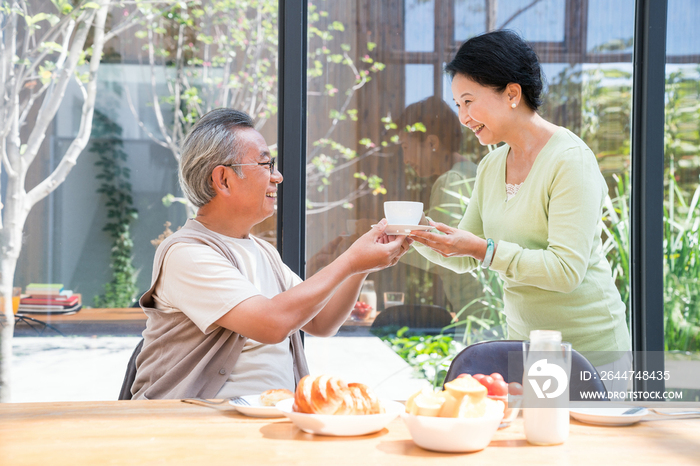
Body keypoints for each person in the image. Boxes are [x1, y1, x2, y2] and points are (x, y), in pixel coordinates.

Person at [131, 109, 411, 400]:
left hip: (266, 420)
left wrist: (361, 268)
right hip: (198, 423)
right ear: (223, 179)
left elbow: (322, 321)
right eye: (266, 164)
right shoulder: (186, 254)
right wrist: (351, 260)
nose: (278, 176)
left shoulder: (263, 251)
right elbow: (272, 323)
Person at [408, 30, 631, 385]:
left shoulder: (570, 161)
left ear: (512, 94)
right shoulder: (491, 166)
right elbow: (467, 255)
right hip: (532, 353)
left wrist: (484, 250)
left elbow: (565, 271)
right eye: (457, 105)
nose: (463, 117)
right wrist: (416, 234)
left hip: (594, 358)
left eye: (469, 101)